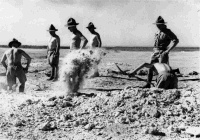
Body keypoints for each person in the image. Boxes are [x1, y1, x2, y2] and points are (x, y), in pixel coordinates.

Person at [144, 16, 179, 88]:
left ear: (163, 24)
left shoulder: (168, 32)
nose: (158, 26)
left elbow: (176, 41)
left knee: (161, 69)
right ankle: (148, 84)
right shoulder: (157, 32)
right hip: (155, 52)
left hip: (162, 53)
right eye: (157, 25)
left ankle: (160, 84)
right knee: (150, 68)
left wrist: (167, 51)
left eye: (159, 25)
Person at [63, 18, 88, 95]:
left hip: (75, 55)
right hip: (72, 54)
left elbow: (85, 40)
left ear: (73, 26)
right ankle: (71, 89)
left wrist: (80, 50)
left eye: (69, 27)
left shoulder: (77, 32)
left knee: (74, 73)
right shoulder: (74, 33)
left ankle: (73, 90)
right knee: (69, 73)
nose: (68, 28)